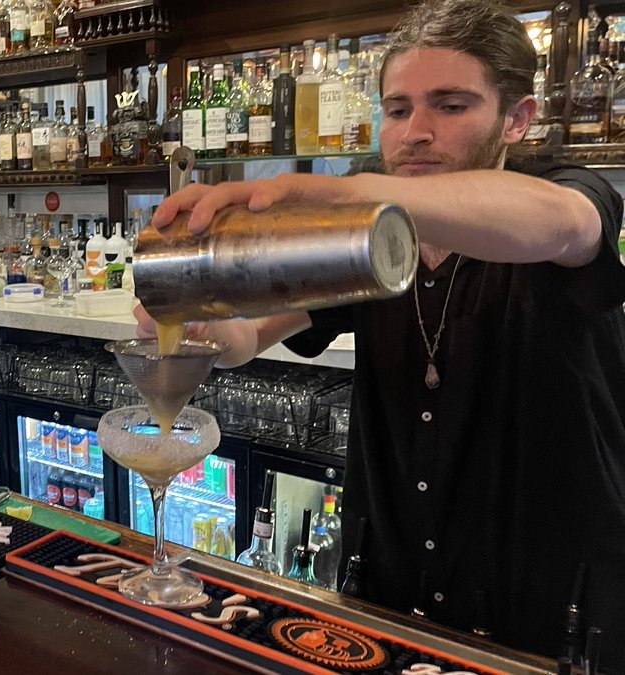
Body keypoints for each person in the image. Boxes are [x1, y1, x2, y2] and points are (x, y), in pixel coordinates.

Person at [138, 0, 625, 666]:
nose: (415, 132)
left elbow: (563, 225)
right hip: (392, 602)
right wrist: (201, 326)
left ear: (517, 118)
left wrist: (346, 193)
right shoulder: (369, 244)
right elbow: (247, 337)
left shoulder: (559, 197)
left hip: (545, 619)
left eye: (449, 106)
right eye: (398, 110)